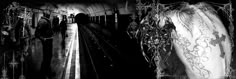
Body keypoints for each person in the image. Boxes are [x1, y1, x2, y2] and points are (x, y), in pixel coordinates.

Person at [35, 11, 54, 79]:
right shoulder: (43, 21)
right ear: (45, 14)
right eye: (48, 13)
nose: (49, 14)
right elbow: (37, 33)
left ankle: (46, 70)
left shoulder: (46, 21)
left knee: (49, 55)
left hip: (49, 40)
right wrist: (43, 39)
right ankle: (44, 72)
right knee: (47, 56)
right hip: (47, 40)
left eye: (49, 13)